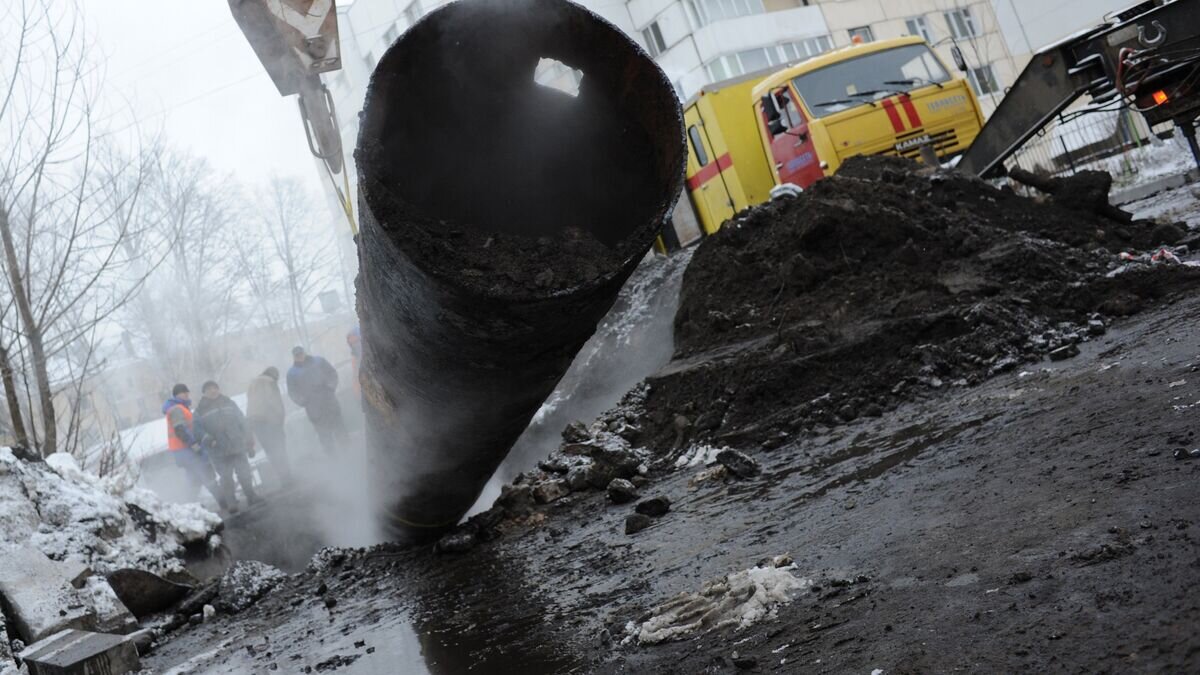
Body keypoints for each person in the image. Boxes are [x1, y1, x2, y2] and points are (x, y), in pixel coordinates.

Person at [194, 380, 261, 512]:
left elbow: (242, 421)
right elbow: (197, 431)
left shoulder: (229, 403)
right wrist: (210, 441)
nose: (213, 391)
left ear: (218, 389)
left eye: (215, 388)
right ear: (204, 393)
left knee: (244, 473)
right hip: (218, 450)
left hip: (237, 445)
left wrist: (248, 440)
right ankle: (232, 504)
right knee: (226, 477)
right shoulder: (199, 411)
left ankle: (251, 496)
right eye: (209, 389)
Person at [162, 384, 225, 508]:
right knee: (207, 475)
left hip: (183, 453)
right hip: (188, 451)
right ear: (176, 395)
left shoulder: (180, 407)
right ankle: (224, 503)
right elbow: (180, 430)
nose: (186, 394)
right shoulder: (177, 408)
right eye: (182, 392)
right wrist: (195, 446)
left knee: (194, 481)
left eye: (187, 392)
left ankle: (188, 508)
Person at [286, 346, 346, 454]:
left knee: (340, 428)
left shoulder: (319, 361)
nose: (300, 356)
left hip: (329, 401)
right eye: (297, 355)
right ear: (294, 357)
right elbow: (292, 392)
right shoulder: (292, 373)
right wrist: (303, 401)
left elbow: (332, 373)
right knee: (324, 436)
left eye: (300, 354)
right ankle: (334, 460)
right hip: (314, 408)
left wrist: (331, 387)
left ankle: (348, 452)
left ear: (304, 353)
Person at [246, 366, 292, 484]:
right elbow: (274, 401)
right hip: (269, 420)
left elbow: (249, 404)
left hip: (255, 422)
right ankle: (288, 477)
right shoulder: (270, 381)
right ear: (274, 375)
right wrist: (280, 417)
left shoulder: (252, 384)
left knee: (270, 451)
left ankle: (282, 478)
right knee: (279, 448)